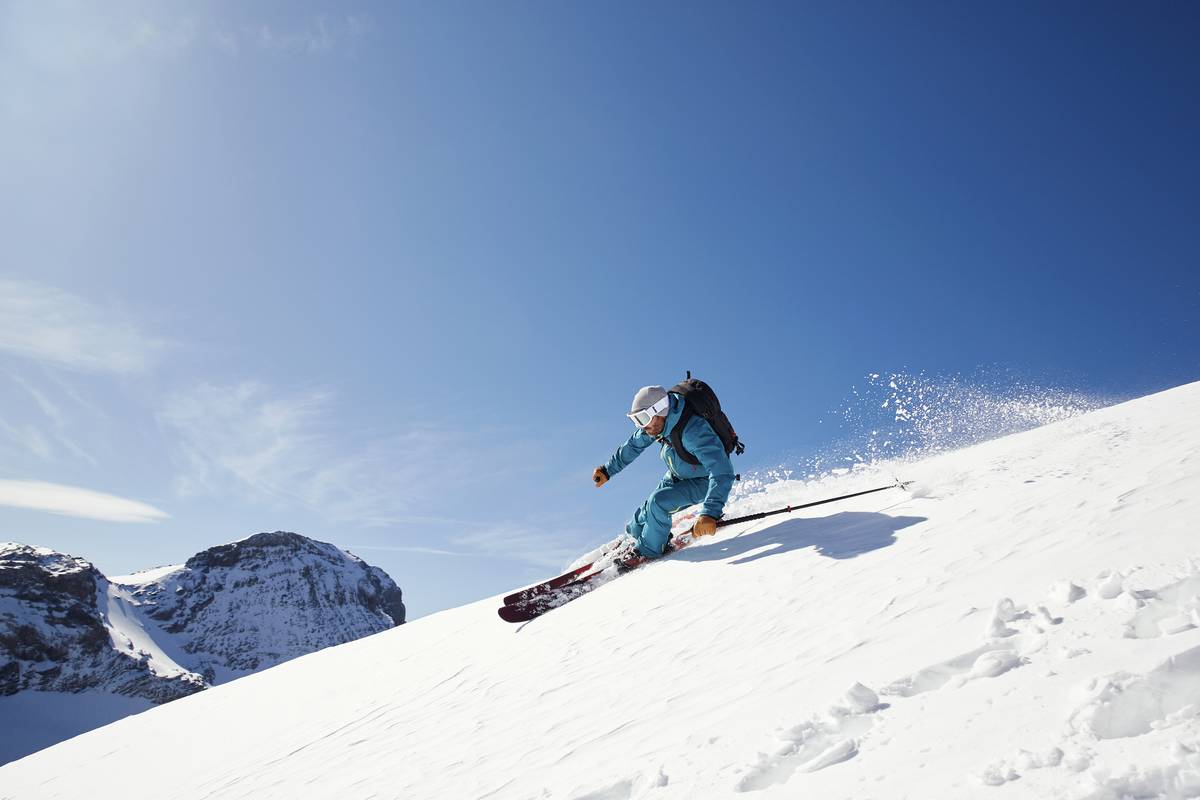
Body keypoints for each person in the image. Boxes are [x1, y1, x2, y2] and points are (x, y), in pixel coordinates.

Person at [592, 385, 736, 559]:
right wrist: (608, 470)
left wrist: (710, 513)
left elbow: (722, 472)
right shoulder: (657, 424)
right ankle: (636, 536)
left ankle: (648, 552)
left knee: (658, 503)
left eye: (643, 418)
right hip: (679, 473)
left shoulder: (694, 431)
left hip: (705, 481)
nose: (642, 426)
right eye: (636, 420)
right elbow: (633, 445)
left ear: (660, 410)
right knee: (643, 515)